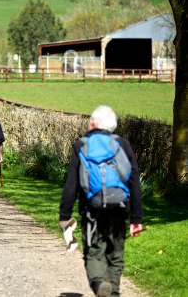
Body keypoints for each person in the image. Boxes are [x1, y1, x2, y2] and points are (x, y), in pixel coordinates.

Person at [59, 105, 143, 297]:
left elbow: (71, 184)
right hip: (119, 208)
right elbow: (134, 181)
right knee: (115, 255)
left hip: (92, 210)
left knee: (94, 252)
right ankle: (113, 293)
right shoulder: (122, 144)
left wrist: (64, 215)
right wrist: (137, 218)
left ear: (94, 123)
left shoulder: (81, 144)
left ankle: (99, 284)